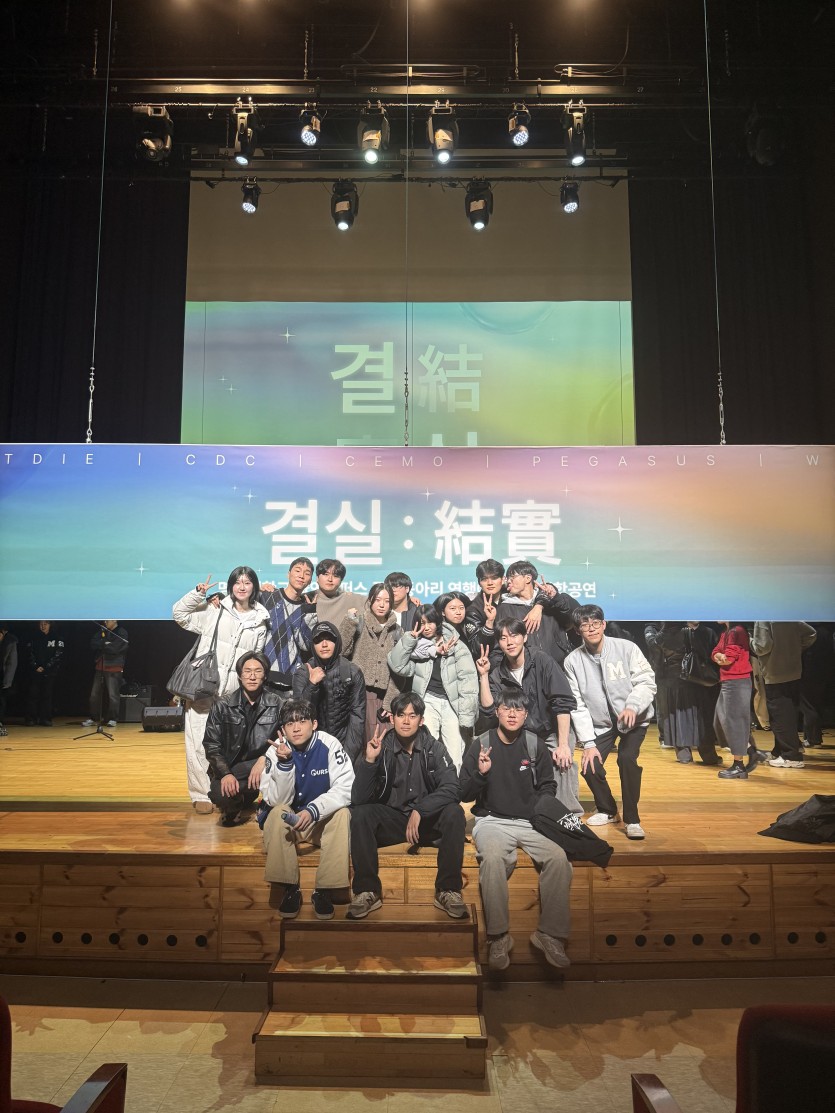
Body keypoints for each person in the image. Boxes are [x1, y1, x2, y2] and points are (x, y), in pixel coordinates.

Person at [459, 694, 572, 971]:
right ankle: (498, 937)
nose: (512, 714)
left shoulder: (534, 744)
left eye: (518, 709)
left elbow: (548, 785)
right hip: (492, 821)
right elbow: (463, 793)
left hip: (530, 822)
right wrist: (481, 774)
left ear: (525, 715)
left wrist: (540, 810)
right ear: (497, 712)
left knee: (559, 859)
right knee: (493, 859)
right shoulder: (481, 744)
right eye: (506, 708)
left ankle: (550, 935)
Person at [347, 692, 467, 921]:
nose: (406, 721)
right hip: (394, 820)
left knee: (455, 812)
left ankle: (448, 890)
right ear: (392, 719)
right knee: (360, 814)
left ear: (421, 720)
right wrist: (370, 761)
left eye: (412, 716)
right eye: (401, 715)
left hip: (425, 822)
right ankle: (367, 891)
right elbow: (359, 798)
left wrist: (421, 809)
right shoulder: (381, 747)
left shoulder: (434, 748)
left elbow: (453, 787)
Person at [173, 567, 271, 813]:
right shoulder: (214, 609)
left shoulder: (260, 620)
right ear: (230, 586)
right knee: (197, 742)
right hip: (203, 689)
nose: (242, 586)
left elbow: (255, 658)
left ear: (254, 586)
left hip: (232, 695)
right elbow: (180, 615)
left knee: (226, 747)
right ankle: (201, 794)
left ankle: (221, 791)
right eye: (237, 582)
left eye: (247, 582)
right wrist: (197, 594)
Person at [563, 606, 656, 839]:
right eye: (585, 625)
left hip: (634, 719)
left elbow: (646, 681)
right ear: (578, 630)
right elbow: (577, 704)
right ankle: (608, 809)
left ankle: (632, 819)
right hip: (601, 723)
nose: (591, 628)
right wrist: (588, 742)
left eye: (596, 623)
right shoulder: (573, 661)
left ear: (603, 625)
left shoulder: (627, 648)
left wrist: (633, 706)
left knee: (627, 759)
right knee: (589, 766)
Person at [259, 698, 354, 920]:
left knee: (343, 814)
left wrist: (313, 810)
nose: (296, 728)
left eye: (302, 721)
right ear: (283, 729)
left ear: (314, 724)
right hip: (289, 825)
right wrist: (284, 764)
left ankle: (324, 890)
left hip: (319, 823)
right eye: (290, 723)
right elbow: (275, 800)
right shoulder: (275, 750)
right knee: (277, 811)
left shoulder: (330, 744)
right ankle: (289, 888)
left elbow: (346, 788)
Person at [476, 618, 580, 813]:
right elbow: (490, 710)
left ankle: (568, 816)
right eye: (503, 638)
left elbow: (562, 702)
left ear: (524, 637)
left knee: (563, 761)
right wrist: (483, 675)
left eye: (514, 635)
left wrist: (563, 744)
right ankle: (528, 812)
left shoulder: (542, 661)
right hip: (523, 733)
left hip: (552, 729)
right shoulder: (498, 673)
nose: (509, 642)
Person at [387, 599, 478, 771]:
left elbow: (468, 681)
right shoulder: (417, 648)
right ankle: (428, 787)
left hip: (452, 704)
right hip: (427, 701)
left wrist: (467, 716)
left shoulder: (456, 644)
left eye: (430, 622)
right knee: (426, 751)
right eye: (422, 623)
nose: (426, 627)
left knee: (455, 755)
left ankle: (452, 787)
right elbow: (397, 665)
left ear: (438, 622)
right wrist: (410, 639)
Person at [202, 651, 283, 826]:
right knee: (220, 795)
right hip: (232, 767)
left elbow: (286, 738)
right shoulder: (222, 705)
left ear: (265, 675)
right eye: (247, 671)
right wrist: (225, 774)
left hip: (263, 766)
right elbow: (211, 745)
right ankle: (240, 800)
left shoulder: (277, 703)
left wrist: (265, 758)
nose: (252, 676)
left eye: (258, 671)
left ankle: (265, 802)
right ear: (239, 675)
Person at [643, 622, 720, 765]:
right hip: (695, 679)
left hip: (672, 680)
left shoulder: (662, 636)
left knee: (677, 717)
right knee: (700, 718)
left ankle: (684, 755)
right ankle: (709, 755)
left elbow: (656, 656)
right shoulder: (699, 632)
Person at [291, 620, 366, 760]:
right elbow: (298, 716)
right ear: (313, 645)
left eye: (329, 639)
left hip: (344, 745)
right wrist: (312, 684)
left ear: (337, 642)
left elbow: (357, 717)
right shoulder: (303, 673)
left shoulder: (352, 672)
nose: (324, 644)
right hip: (311, 747)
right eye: (318, 640)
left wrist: (346, 756)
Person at [340, 582, 403, 738]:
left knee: (383, 739)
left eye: (387, 601)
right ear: (370, 600)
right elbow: (341, 651)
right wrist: (349, 621)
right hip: (357, 693)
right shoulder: (359, 622)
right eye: (378, 600)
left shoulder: (397, 631)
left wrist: (390, 701)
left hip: (384, 697)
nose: (382, 605)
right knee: (358, 740)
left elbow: (399, 670)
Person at [752, 621, 817, 768]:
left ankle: (791, 755)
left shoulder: (763, 618)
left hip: (775, 672)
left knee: (779, 716)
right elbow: (811, 633)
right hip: (794, 670)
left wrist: (749, 641)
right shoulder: (789, 615)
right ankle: (781, 750)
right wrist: (795, 649)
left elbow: (762, 647)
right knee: (789, 714)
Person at [711, 622, 763, 780]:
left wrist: (721, 657)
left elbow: (728, 659)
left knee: (734, 722)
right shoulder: (726, 632)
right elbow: (714, 653)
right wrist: (719, 656)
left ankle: (739, 766)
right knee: (720, 721)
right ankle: (751, 751)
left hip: (737, 681)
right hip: (728, 681)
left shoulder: (736, 631)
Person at [259, 558, 318, 692]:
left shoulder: (306, 607)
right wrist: (258, 587)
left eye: (307, 573)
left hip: (291, 678)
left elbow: (305, 645)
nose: (301, 576)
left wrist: (311, 614)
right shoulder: (269, 596)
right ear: (288, 574)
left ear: (310, 581)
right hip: (263, 674)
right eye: (297, 571)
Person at [81, 621, 128, 728]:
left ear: (114, 620)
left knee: (113, 695)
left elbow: (116, 648)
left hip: (114, 666)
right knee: (94, 695)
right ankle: (94, 718)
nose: (105, 622)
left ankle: (112, 718)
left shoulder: (122, 632)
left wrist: (104, 644)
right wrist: (106, 643)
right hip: (100, 666)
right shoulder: (102, 630)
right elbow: (93, 643)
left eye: (108, 620)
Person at [305, 558, 365, 628]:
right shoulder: (306, 598)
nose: (330, 579)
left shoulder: (350, 598)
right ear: (317, 578)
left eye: (335, 576)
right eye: (326, 574)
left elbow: (373, 600)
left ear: (341, 580)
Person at [26, 621, 64, 726]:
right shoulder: (34, 638)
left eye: (45, 624)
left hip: (50, 672)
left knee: (47, 695)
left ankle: (45, 718)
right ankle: (31, 718)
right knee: (33, 695)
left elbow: (58, 655)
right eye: (41, 624)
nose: (43, 626)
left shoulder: (57, 638)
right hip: (35, 671)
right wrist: (35, 666)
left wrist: (46, 667)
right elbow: (30, 653)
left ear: (50, 625)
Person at [0, 625, 18, 737]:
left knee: (1, 700)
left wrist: (7, 681)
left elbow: (12, 663)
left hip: (2, 677)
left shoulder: (10, 642)